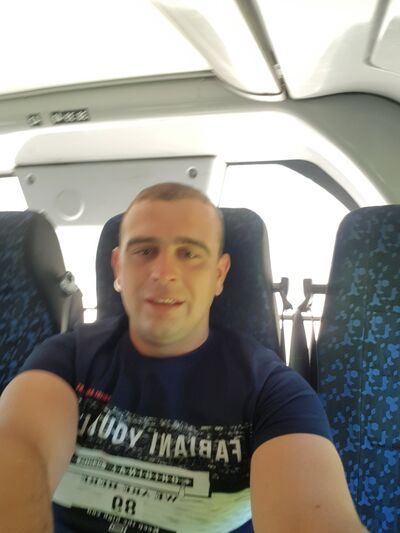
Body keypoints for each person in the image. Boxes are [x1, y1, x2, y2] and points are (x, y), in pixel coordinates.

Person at [0, 182, 367, 533]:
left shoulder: (270, 390)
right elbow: (18, 453)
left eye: (189, 253)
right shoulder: (66, 360)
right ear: (118, 268)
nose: (164, 273)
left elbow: (311, 515)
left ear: (219, 274)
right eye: (144, 251)